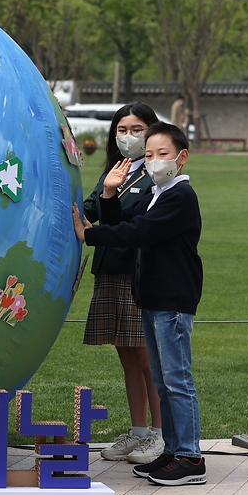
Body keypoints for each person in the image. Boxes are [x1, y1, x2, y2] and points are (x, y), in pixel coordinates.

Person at [73, 122, 205, 486]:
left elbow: (140, 233)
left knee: (177, 380)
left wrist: (89, 234)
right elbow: (128, 222)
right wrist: (111, 195)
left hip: (173, 300)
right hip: (152, 297)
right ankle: (171, 453)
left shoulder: (180, 196)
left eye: (162, 154)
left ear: (182, 157)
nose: (154, 161)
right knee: (163, 380)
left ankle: (190, 457)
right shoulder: (158, 193)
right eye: (148, 155)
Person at [82, 103, 163, 464]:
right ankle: (138, 431)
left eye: (137, 128)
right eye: (122, 129)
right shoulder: (114, 170)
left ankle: (161, 435)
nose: (128, 136)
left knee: (147, 358)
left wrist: (110, 198)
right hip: (109, 271)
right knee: (126, 355)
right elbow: (88, 209)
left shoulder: (155, 176)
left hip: (138, 273)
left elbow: (129, 225)